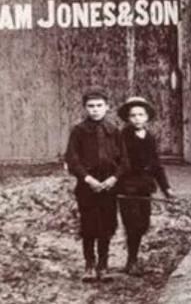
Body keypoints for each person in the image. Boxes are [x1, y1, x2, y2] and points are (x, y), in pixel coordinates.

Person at [64, 90, 123, 282]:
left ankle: (103, 266)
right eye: (91, 106)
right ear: (85, 108)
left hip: (108, 186)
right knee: (89, 226)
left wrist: (113, 179)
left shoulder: (114, 130)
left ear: (107, 107)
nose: (95, 110)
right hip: (87, 186)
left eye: (99, 106)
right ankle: (89, 265)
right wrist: (88, 179)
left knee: (106, 226)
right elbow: (72, 160)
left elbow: (124, 160)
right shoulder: (79, 131)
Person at [115, 97, 172, 276]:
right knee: (132, 224)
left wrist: (166, 188)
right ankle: (131, 261)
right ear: (127, 118)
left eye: (141, 114)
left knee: (143, 224)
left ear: (147, 117)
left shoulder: (149, 137)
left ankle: (134, 257)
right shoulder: (122, 137)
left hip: (145, 188)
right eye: (133, 115)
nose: (137, 118)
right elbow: (117, 163)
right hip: (128, 187)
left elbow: (156, 164)